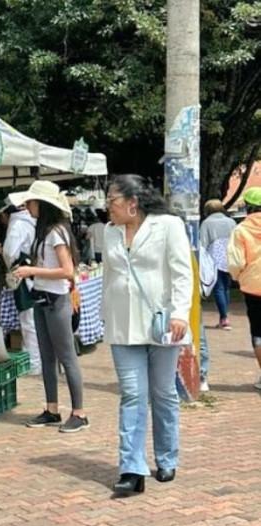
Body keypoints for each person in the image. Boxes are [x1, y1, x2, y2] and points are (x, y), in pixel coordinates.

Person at [99, 174, 192, 495]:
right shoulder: (109, 233)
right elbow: (108, 276)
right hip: (122, 325)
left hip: (162, 324)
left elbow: (182, 271)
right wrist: (103, 313)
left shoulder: (167, 225)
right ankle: (132, 468)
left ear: (132, 203)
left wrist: (180, 312)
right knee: (132, 394)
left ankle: (167, 456)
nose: (107, 206)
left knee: (163, 393)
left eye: (112, 200)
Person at [10, 181, 89, 433]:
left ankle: (79, 413)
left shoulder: (55, 232)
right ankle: (52, 409)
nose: (27, 206)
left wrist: (31, 270)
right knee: (47, 357)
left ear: (42, 205)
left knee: (66, 357)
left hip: (56, 300)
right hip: (42, 298)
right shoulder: (44, 232)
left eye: (31, 202)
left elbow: (67, 271)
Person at [2, 202, 42, 376]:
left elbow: (9, 252)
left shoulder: (17, 225)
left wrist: (11, 267)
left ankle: (33, 364)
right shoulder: (37, 222)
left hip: (24, 275)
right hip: (39, 274)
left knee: (29, 321)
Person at [227, 188, 261, 389]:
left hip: (254, 286)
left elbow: (235, 261)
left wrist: (238, 276)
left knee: (258, 331)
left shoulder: (241, 230)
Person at [201, 199, 237, 330]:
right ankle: (225, 315)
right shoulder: (231, 221)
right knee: (226, 287)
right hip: (229, 255)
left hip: (214, 256)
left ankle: (224, 317)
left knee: (218, 288)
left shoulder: (207, 223)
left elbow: (203, 242)